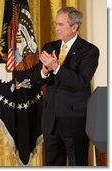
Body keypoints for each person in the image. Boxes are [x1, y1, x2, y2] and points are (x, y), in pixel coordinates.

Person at [31, 7, 99, 166]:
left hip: (74, 122)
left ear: (74, 27)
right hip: (51, 122)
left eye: (60, 25)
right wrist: (44, 71)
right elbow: (35, 80)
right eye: (56, 24)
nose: (56, 28)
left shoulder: (89, 51)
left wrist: (57, 67)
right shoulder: (50, 47)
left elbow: (80, 81)